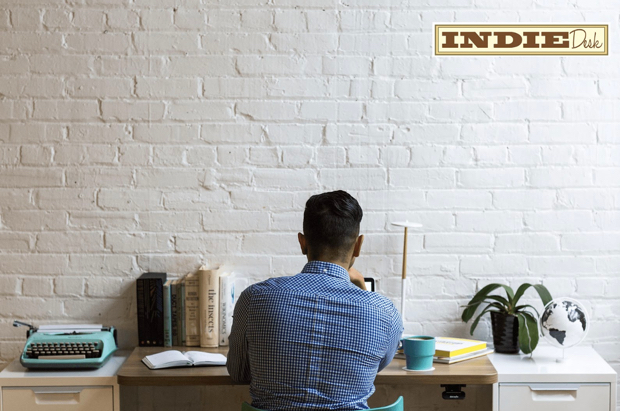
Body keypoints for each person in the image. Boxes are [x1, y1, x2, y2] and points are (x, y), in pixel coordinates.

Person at [227, 190, 403, 410]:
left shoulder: (254, 298)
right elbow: (374, 367)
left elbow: (239, 373)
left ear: (302, 242)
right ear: (358, 245)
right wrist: (364, 294)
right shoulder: (384, 313)